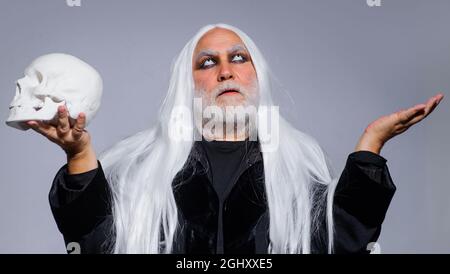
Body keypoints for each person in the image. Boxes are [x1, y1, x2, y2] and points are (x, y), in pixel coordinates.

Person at [27, 24, 444, 254]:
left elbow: (341, 243)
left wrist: (370, 147)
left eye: (238, 58)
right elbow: (98, 243)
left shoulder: (294, 168)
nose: (225, 71)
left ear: (255, 75)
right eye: (207, 63)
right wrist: (79, 154)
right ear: (185, 85)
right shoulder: (144, 170)